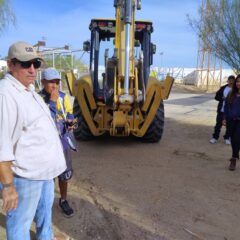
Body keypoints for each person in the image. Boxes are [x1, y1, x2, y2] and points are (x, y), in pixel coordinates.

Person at [0, 41, 66, 240]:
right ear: (11, 64)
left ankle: (46, 237)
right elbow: (2, 145)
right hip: (25, 178)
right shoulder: (6, 94)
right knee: (20, 224)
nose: (32, 70)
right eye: (25, 64)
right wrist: (9, 187)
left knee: (45, 216)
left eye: (36, 64)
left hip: (44, 174)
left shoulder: (28, 91)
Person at [39, 68, 75, 218]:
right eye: (50, 82)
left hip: (63, 141)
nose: (54, 85)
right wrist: (52, 103)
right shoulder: (38, 99)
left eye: (57, 82)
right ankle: (45, 204)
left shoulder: (63, 97)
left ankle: (63, 200)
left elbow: (69, 112)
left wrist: (71, 122)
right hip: (46, 144)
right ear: (43, 82)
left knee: (64, 173)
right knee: (47, 176)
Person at [209, 75, 235, 144]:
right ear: (228, 81)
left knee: (229, 125)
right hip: (221, 110)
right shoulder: (223, 88)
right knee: (218, 125)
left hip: (231, 111)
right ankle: (215, 138)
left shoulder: (236, 89)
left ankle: (227, 138)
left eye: (233, 81)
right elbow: (216, 97)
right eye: (230, 80)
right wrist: (221, 98)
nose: (231, 82)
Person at [224, 74, 240, 171]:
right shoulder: (231, 93)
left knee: (237, 138)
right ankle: (235, 155)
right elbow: (226, 106)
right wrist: (225, 118)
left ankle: (233, 159)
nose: (239, 83)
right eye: (237, 81)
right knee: (234, 140)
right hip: (231, 120)